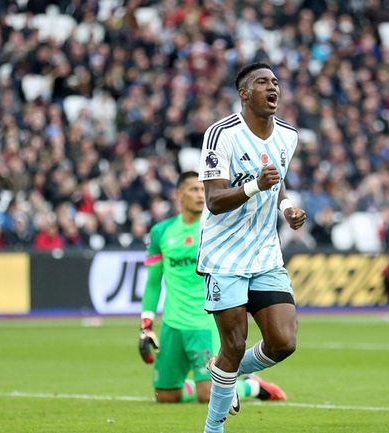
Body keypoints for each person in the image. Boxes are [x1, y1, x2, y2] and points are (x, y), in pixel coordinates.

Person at [197, 63, 306, 433]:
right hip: (224, 254)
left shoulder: (288, 136)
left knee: (283, 341)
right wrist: (256, 186)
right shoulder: (221, 134)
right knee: (235, 341)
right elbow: (213, 200)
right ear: (245, 93)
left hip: (264, 252)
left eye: (276, 81)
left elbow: (279, 186)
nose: (273, 86)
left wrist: (286, 207)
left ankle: (228, 370)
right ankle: (213, 428)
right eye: (263, 82)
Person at [139, 171, 287, 405]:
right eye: (193, 189)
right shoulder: (161, 232)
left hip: (205, 323)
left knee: (207, 395)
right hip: (172, 324)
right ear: (178, 194)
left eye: (202, 189)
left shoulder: (217, 226)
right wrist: (146, 324)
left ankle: (252, 387)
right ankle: (213, 383)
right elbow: (153, 281)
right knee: (166, 396)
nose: (200, 195)